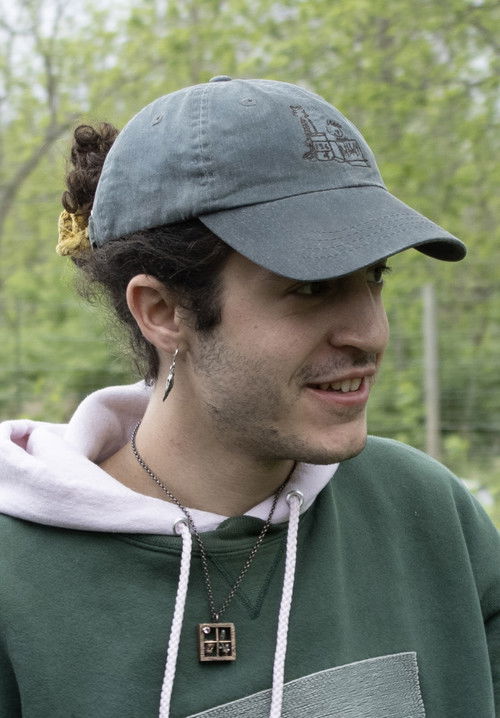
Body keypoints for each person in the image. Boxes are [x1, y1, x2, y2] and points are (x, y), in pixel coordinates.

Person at [0, 76, 498, 718]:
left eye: (375, 277)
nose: (370, 334)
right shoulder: (18, 581)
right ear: (162, 311)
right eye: (311, 288)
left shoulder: (426, 517)